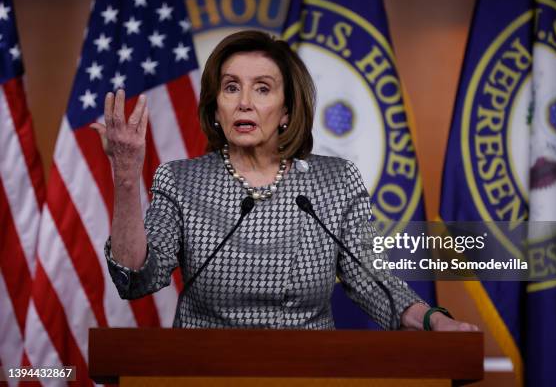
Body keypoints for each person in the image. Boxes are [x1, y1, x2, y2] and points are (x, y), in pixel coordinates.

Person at [92, 30, 477, 331]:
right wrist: (126, 177)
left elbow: (370, 279)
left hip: (308, 372)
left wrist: (434, 320)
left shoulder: (334, 182)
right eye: (231, 88)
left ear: (286, 111)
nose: (244, 101)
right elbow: (135, 278)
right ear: (216, 109)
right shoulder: (181, 181)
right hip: (205, 370)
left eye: (262, 88)